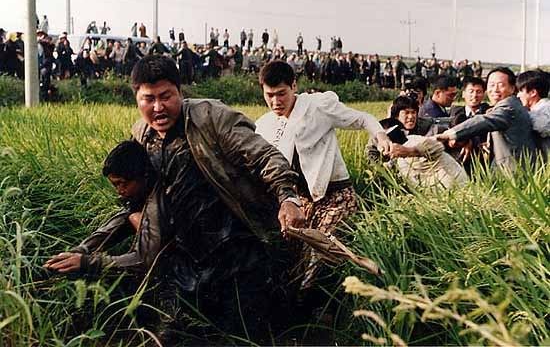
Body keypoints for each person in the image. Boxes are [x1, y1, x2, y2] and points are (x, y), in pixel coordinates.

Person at [126, 55, 304, 344]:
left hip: (238, 251)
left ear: (180, 93)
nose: (158, 108)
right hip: (185, 261)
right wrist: (136, 216)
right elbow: (130, 190)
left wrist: (288, 198)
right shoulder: (142, 136)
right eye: (148, 99)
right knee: (175, 336)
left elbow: (265, 156)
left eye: (166, 96)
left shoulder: (211, 117)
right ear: (137, 99)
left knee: (244, 336)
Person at [255, 60, 391, 318]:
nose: (275, 102)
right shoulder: (265, 125)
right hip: (300, 201)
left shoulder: (318, 106)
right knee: (294, 259)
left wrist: (380, 135)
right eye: (269, 96)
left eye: (281, 93)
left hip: (336, 196)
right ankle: (306, 310)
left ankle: (313, 311)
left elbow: (362, 119)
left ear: (294, 86)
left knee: (321, 252)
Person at [44, 140, 157, 274]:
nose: (120, 191)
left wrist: (87, 262)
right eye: (115, 185)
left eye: (123, 183)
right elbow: (120, 220)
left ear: (143, 176)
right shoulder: (139, 191)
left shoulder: (160, 199)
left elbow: (145, 259)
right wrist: (82, 249)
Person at [437, 67, 536, 172]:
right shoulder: (506, 106)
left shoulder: (509, 107)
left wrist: (448, 134)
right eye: (492, 85)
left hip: (513, 173)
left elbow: (485, 121)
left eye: (501, 85)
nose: (495, 90)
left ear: (512, 88)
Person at [516, 70, 550, 157]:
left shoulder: (545, 108)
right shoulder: (534, 109)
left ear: (533, 92)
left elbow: (541, 126)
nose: (518, 95)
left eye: (520, 91)